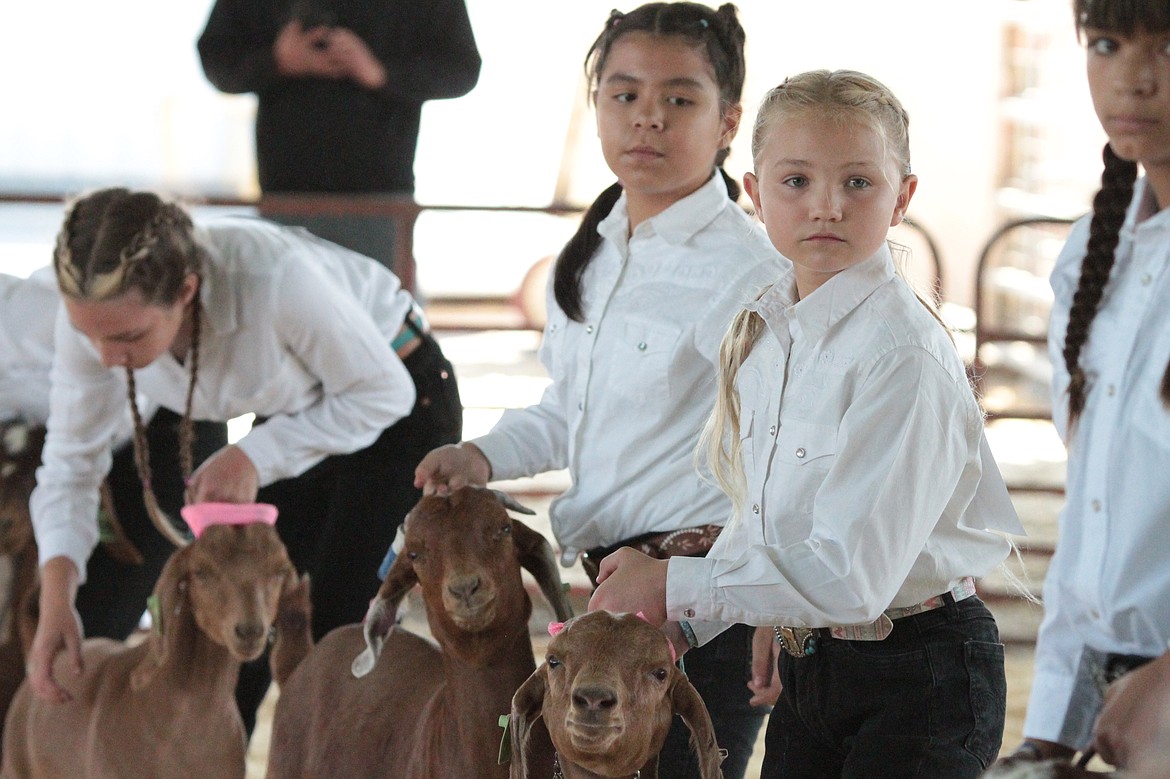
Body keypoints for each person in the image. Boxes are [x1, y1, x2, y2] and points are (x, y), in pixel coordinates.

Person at [589, 69, 1026, 778]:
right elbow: (772, 516)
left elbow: (854, 578)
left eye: (858, 183)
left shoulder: (900, 355)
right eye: (796, 182)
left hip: (920, 669)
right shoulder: (772, 329)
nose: (826, 205)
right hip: (816, 655)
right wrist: (693, 620)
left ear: (902, 197)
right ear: (757, 195)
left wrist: (673, 583)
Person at [411, 4, 777, 776]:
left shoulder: (757, 274)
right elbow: (565, 413)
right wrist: (482, 453)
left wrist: (704, 588)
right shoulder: (596, 250)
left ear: (727, 122)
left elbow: (785, 457)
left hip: (701, 608)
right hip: (607, 593)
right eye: (624, 94)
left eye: (680, 99)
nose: (648, 117)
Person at [26, 188, 463, 737]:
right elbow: (69, 465)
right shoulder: (97, 328)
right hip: (298, 411)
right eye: (90, 336)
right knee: (243, 617)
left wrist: (253, 455)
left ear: (186, 291)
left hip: (397, 398)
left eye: (128, 337)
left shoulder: (275, 280)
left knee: (337, 633)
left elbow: (382, 394)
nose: (107, 358)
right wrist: (57, 599)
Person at [997, 0, 1170, 770]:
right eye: (1106, 43)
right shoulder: (1090, 259)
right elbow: (1094, 515)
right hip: (1115, 716)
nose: (1133, 80)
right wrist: (1049, 732)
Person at [1, 269, 227, 643]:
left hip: (157, 428)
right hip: (53, 440)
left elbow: (104, 413)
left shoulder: (32, 319)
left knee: (89, 627)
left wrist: (45, 456)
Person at [196, 0, 482, 277]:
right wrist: (278, 60)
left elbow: (462, 68)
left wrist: (380, 73)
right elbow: (216, 58)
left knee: (378, 315)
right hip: (286, 192)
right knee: (288, 315)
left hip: (380, 195)